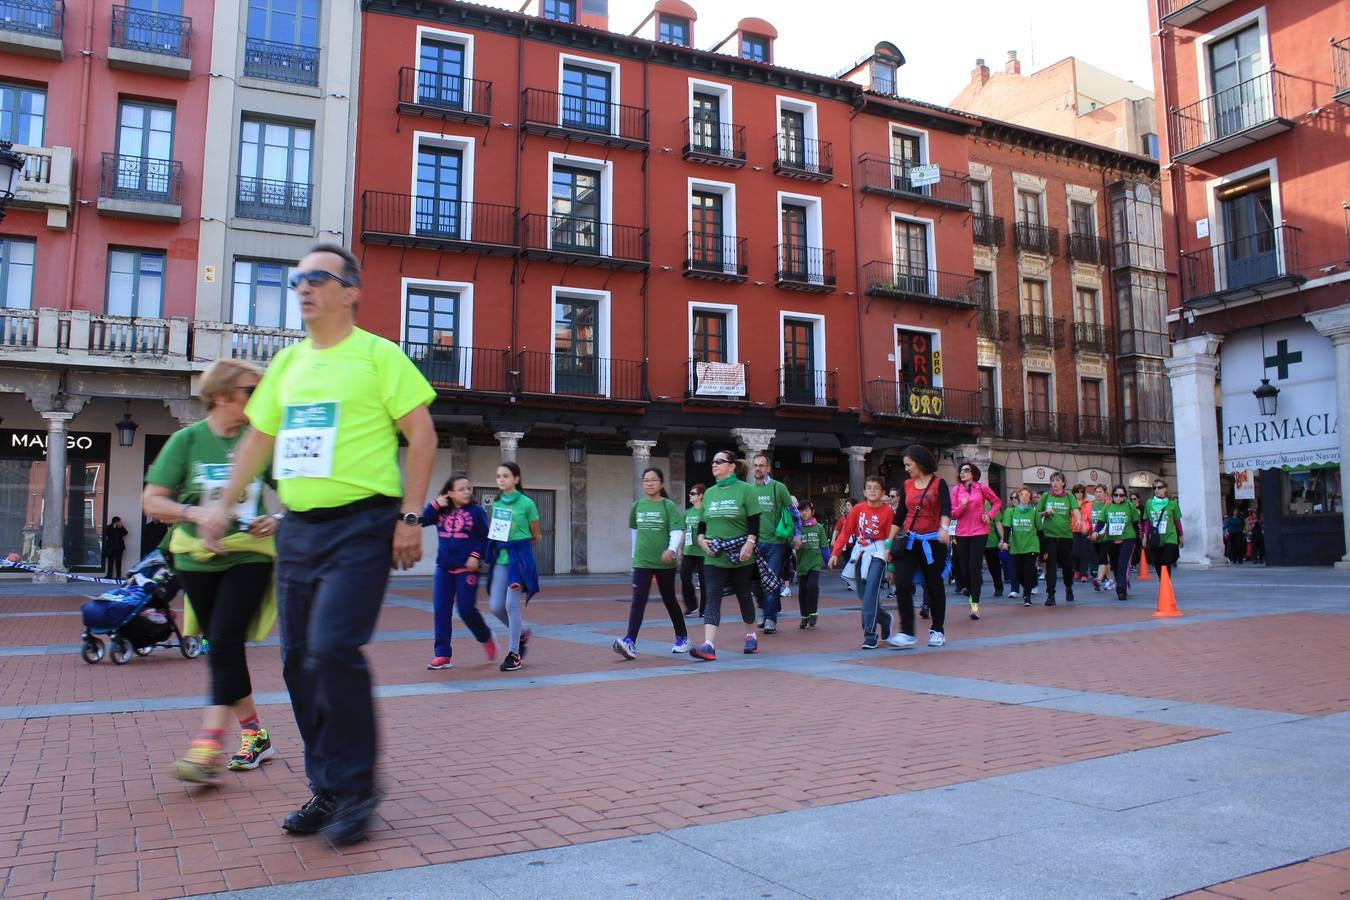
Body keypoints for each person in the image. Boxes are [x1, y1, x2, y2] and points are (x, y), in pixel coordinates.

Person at [199, 244, 437, 846]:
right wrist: (224, 502)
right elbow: (258, 438)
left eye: (317, 278)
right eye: (297, 279)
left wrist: (410, 518)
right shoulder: (287, 363)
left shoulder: (379, 357)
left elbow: (422, 433)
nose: (303, 288)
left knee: (333, 648)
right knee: (298, 662)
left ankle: (357, 788)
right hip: (299, 528)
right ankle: (328, 786)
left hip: (363, 524)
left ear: (351, 290)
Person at [144, 358, 279, 784]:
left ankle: (206, 746)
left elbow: (295, 492)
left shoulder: (261, 442)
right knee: (222, 646)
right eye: (249, 392)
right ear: (220, 395)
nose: (257, 399)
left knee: (223, 640)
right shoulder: (187, 442)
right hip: (194, 556)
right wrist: (197, 513)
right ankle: (255, 734)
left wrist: (277, 519)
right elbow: (153, 501)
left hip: (249, 554)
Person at [690, 452, 760, 661]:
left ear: (732, 467)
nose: (714, 464)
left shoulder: (746, 490)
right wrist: (701, 539)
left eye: (719, 461)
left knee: (743, 594)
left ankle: (751, 634)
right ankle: (709, 644)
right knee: (712, 596)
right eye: (713, 461)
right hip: (714, 554)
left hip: (740, 553)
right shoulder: (710, 493)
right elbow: (702, 522)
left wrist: (750, 543)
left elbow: (754, 521)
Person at [422, 474, 495, 671]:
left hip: (466, 568)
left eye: (468, 488)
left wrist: (475, 555)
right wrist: (436, 504)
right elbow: (423, 520)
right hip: (444, 568)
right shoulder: (440, 510)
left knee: (466, 610)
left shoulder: (477, 511)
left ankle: (485, 637)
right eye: (461, 489)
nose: (467, 492)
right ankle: (442, 655)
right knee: (441, 611)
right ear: (450, 492)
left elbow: (485, 537)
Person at [613, 467, 687, 658]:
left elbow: (677, 530)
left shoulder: (668, 506)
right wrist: (634, 558)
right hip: (642, 562)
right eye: (646, 480)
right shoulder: (637, 505)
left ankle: (682, 637)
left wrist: (671, 549)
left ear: (661, 483)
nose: (650, 483)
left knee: (669, 599)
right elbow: (634, 533)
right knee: (638, 600)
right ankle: (630, 641)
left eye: (653, 480)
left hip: (664, 563)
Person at [887, 445, 952, 648]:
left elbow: (946, 507)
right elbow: (900, 515)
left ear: (920, 461)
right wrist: (889, 542)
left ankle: (937, 630)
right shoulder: (906, 485)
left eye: (908, 464)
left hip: (933, 542)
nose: (906, 468)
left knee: (933, 586)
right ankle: (907, 632)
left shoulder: (939, 483)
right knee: (903, 583)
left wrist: (944, 528)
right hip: (910, 541)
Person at [829, 477, 898, 648]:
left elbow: (891, 537)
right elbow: (845, 532)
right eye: (869, 488)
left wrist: (891, 564)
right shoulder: (858, 509)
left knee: (871, 592)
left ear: (883, 493)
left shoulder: (888, 512)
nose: (872, 491)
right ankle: (885, 618)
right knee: (863, 594)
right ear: (864, 492)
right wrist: (835, 553)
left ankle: (870, 635)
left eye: (876, 488)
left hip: (879, 551)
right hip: (860, 551)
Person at [487, 462, 541, 672]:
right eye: (498, 476)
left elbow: (536, 535)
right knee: (496, 607)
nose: (501, 479)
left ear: (516, 479)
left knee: (511, 606)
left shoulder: (527, 504)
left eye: (506, 476)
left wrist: (521, 546)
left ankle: (514, 654)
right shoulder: (497, 503)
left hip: (519, 560)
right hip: (501, 559)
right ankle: (523, 633)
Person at [748, 452, 798, 633]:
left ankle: (770, 618)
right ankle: (766, 608)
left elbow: (793, 512)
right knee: (755, 582)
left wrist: (796, 535)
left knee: (770, 579)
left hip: (775, 543)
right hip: (754, 543)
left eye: (762, 465)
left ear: (768, 468)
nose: (758, 468)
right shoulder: (749, 490)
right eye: (756, 465)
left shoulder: (778, 488)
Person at [950, 462, 1001, 621]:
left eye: (966, 470)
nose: (963, 472)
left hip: (980, 531)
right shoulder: (956, 490)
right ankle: (970, 590)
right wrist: (962, 506)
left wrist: (990, 516)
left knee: (974, 567)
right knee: (964, 569)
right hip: (962, 533)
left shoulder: (982, 487)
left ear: (973, 473)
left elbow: (997, 502)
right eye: (961, 470)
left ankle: (975, 605)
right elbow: (952, 514)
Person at [1035, 472, 1077, 606]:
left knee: (1067, 566)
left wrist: (1080, 520)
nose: (1055, 483)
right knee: (1051, 566)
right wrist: (1045, 513)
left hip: (1065, 536)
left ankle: (1068, 586)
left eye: (1058, 480)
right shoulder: (1046, 496)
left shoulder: (1069, 496)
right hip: (1049, 536)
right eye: (1053, 480)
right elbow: (1036, 514)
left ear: (1063, 483)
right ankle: (1050, 595)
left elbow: (1075, 510)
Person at [1096, 485, 1141, 600]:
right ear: (1112, 496)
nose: (1118, 497)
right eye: (1116, 495)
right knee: (1115, 566)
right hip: (1111, 540)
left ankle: (1121, 590)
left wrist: (1138, 541)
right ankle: (1123, 582)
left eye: (1121, 495)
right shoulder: (1107, 507)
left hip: (1128, 539)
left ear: (1125, 496)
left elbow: (1136, 524)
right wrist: (1095, 532)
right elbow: (1100, 522)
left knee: (1122, 564)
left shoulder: (1130, 507)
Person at [999, 488, 1040, 606]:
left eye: (1027, 495)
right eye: (1021, 494)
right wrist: (1005, 542)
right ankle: (1029, 586)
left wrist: (1044, 549)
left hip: (1031, 545)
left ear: (1030, 498)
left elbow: (1040, 530)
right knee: (1018, 573)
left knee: (1028, 570)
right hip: (1016, 546)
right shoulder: (1010, 512)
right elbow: (1006, 527)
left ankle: (1027, 596)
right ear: (1018, 497)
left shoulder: (1034, 512)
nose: (1024, 496)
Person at [795, 500, 828, 629]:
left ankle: (813, 613)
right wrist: (794, 544)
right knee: (802, 591)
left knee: (812, 586)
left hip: (815, 563)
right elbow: (790, 542)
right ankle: (804, 616)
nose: (803, 513)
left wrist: (828, 561)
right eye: (801, 511)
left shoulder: (819, 528)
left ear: (812, 512)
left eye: (806, 510)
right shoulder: (797, 528)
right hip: (802, 564)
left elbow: (824, 546)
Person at [1143, 479, 1183, 578]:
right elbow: (1147, 521)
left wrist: (1181, 536)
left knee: (1165, 562)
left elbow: (1177, 522)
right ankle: (1164, 584)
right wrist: (1145, 536)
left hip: (1170, 537)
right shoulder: (1149, 503)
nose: (1157, 490)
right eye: (1154, 488)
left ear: (1165, 489)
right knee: (1157, 563)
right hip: (1156, 537)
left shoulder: (1172, 503)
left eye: (1159, 487)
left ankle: (1166, 583)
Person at [679, 483, 707, 617]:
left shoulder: (706, 511)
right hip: (689, 550)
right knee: (684, 577)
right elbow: (684, 531)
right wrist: (680, 548)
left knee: (704, 581)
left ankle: (704, 609)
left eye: (693, 493)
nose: (690, 495)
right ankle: (691, 606)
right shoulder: (687, 512)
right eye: (690, 493)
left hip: (703, 551)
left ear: (701, 496)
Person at [1088, 484, 1114, 591]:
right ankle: (1110, 580)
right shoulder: (1090, 505)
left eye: (1100, 492)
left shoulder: (1108, 505)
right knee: (1102, 559)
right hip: (1094, 536)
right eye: (1096, 492)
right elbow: (1087, 519)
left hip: (1105, 536)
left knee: (1103, 558)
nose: (1098, 494)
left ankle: (1098, 580)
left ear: (1105, 493)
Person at [1072, 484, 1094, 582]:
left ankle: (1084, 573)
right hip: (1073, 530)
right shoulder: (1071, 503)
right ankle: (1076, 570)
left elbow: (1090, 518)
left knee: (1084, 552)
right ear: (1074, 493)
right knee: (1075, 552)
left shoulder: (1088, 503)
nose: (1079, 494)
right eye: (1077, 492)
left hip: (1084, 531)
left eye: (1081, 492)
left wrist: (1090, 530)